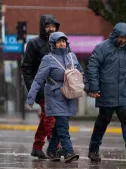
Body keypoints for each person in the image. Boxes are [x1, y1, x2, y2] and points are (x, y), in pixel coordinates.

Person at [86, 22, 126, 163]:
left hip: (124, 93)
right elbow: (92, 66)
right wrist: (94, 88)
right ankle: (93, 150)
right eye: (121, 37)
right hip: (107, 93)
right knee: (102, 123)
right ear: (114, 35)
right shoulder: (102, 48)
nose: (123, 40)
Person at [27, 32, 81, 163]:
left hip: (69, 95)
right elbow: (39, 79)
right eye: (59, 41)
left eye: (63, 41)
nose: (62, 43)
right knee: (63, 125)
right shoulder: (48, 59)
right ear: (53, 44)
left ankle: (51, 150)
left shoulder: (72, 56)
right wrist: (31, 95)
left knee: (59, 125)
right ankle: (69, 151)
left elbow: (80, 73)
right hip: (54, 96)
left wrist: (90, 87)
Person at [21, 14, 61, 159]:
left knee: (46, 116)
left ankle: (37, 147)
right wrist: (33, 88)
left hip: (58, 88)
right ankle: (55, 147)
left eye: (53, 26)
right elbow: (26, 68)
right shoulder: (34, 44)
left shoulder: (59, 42)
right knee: (50, 116)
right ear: (42, 27)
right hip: (42, 88)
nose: (51, 29)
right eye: (47, 26)